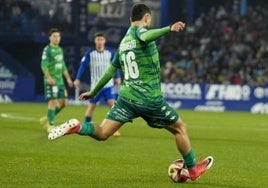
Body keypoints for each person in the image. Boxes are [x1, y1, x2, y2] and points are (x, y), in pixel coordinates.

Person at [48, 4, 213, 181]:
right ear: (148, 18)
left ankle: (79, 127)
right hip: (149, 99)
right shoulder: (141, 32)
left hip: (126, 98)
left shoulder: (123, 43)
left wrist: (94, 91)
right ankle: (193, 169)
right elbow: (146, 35)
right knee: (180, 128)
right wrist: (169, 28)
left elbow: (110, 71)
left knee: (103, 133)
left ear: (129, 20)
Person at [73, 32, 121, 137]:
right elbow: (83, 66)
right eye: (98, 39)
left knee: (113, 106)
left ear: (104, 41)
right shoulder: (90, 53)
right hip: (95, 87)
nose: (99, 41)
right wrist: (77, 79)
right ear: (95, 41)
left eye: (101, 39)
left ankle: (113, 130)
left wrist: (117, 77)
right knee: (91, 108)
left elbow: (115, 65)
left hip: (108, 86)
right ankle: (85, 126)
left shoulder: (110, 53)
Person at [40, 28, 73, 132]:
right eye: (54, 36)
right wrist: (49, 78)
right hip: (51, 81)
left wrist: (68, 78)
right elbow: (43, 65)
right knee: (53, 102)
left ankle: (47, 118)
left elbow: (62, 65)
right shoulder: (47, 50)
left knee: (63, 104)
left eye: (58, 36)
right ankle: (51, 125)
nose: (57, 38)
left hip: (60, 82)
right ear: (50, 37)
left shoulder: (60, 49)